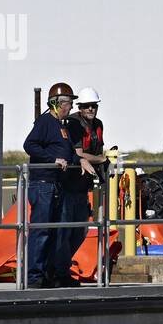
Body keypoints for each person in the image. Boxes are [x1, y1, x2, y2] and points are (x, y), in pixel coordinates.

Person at [22, 82, 87, 288]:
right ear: (56, 104)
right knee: (41, 231)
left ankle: (51, 274)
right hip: (43, 184)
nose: (70, 107)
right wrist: (53, 159)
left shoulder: (62, 126)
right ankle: (34, 277)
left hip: (55, 184)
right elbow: (29, 145)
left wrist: (80, 161)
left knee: (56, 231)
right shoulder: (45, 122)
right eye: (68, 103)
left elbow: (66, 153)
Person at [64, 87, 110, 278]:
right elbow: (78, 153)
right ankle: (61, 268)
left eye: (94, 106)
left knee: (80, 230)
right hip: (69, 185)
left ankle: (65, 267)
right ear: (80, 107)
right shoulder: (73, 123)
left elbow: (99, 149)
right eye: (87, 106)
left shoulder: (98, 124)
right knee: (66, 229)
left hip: (84, 185)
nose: (91, 109)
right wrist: (101, 160)